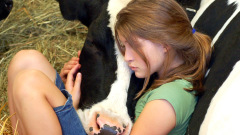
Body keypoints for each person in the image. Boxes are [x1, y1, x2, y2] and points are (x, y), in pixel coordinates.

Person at [7, 0, 211, 134]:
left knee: (28, 83)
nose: (127, 58)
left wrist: (70, 103)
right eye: (123, 48)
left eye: (135, 48)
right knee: (25, 59)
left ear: (164, 44)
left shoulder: (166, 101)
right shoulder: (166, 71)